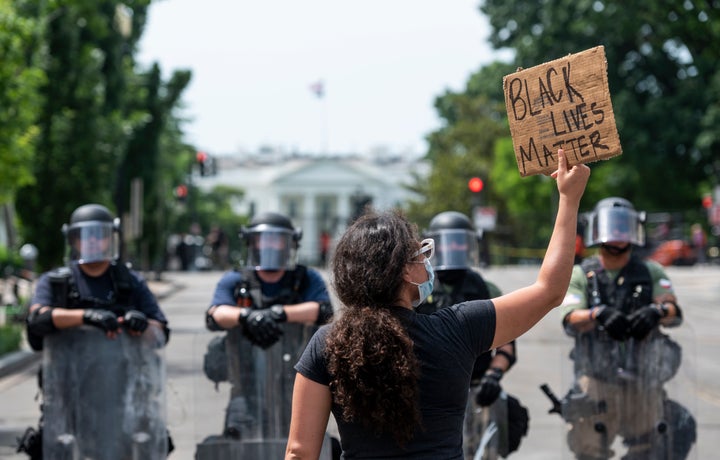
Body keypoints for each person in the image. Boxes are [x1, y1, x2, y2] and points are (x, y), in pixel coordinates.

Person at [285, 150, 590, 459]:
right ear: (403, 270)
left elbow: (299, 452)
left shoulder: (327, 343)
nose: (427, 262)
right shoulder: (458, 329)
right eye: (421, 254)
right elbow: (550, 290)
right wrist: (569, 198)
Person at [20, 203, 171, 459]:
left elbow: (161, 331)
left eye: (99, 235)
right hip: (68, 396)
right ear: (74, 240)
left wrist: (140, 323)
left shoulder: (129, 281)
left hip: (124, 396)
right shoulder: (58, 283)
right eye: (85, 236)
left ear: (109, 239)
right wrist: (86, 317)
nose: (92, 242)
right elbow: (38, 319)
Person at [559, 197, 696, 459]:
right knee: (587, 447)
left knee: (649, 446)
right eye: (612, 228)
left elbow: (673, 310)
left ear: (634, 230)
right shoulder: (582, 274)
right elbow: (569, 317)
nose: (617, 235)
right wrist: (597, 314)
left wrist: (656, 312)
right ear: (597, 230)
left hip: (642, 376)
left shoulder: (650, 271)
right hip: (596, 377)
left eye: (623, 228)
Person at [199, 212, 334, 457]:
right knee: (237, 449)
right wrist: (247, 316)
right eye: (264, 239)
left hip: (296, 387)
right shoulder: (236, 279)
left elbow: (323, 310)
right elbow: (215, 314)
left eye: (277, 239)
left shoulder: (304, 278)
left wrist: (280, 313)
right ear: (252, 242)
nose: (270, 245)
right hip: (247, 389)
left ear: (289, 243)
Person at [419, 211, 529, 458]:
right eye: (447, 243)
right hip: (429, 393)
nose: (453, 249)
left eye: (459, 243)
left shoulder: (485, 288)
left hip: (478, 389)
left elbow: (506, 346)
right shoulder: (419, 287)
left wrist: (494, 375)